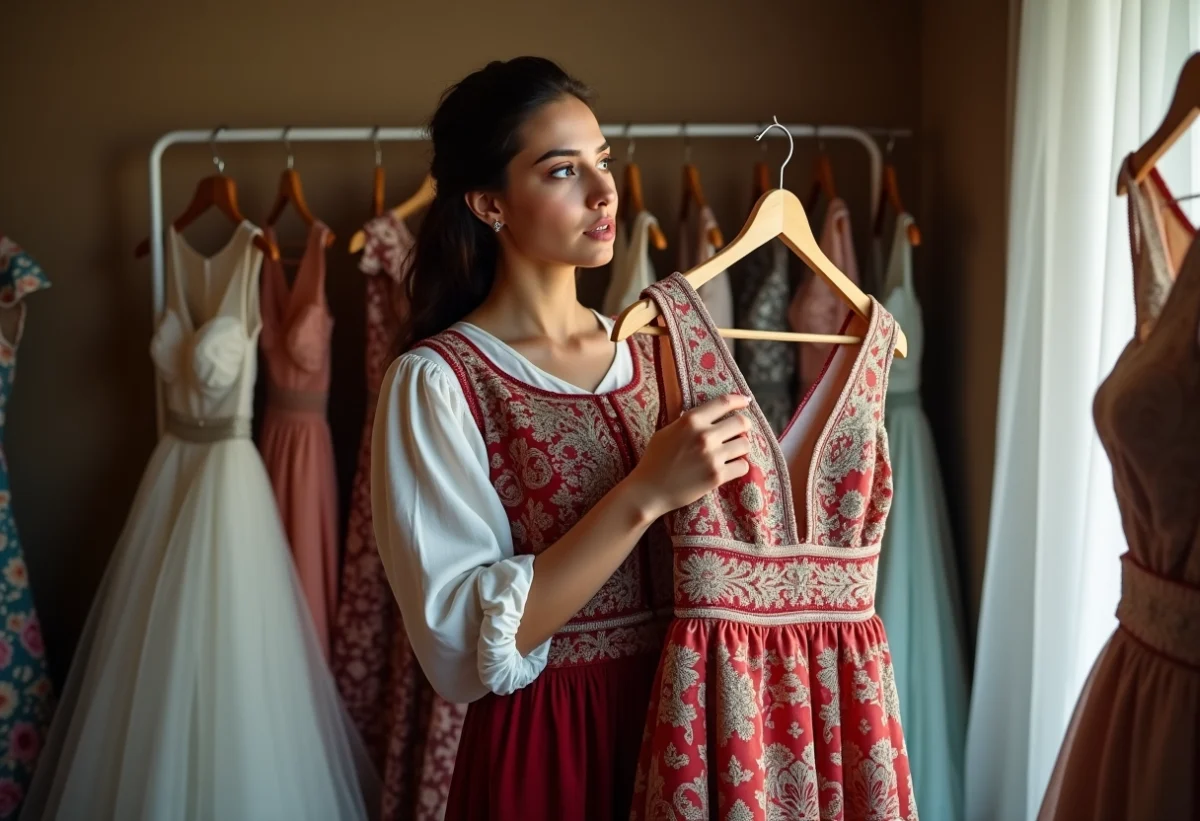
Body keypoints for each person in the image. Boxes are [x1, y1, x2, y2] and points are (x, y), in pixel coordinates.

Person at [371, 56, 751, 820]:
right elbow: (459, 648)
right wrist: (643, 493)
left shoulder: (659, 353)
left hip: (688, 726)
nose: (605, 191)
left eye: (603, 160)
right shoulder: (439, 382)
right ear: (490, 203)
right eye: (562, 170)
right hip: (549, 749)